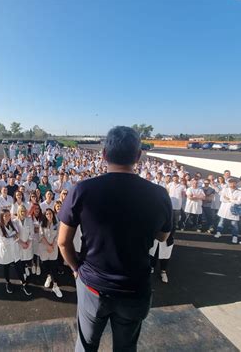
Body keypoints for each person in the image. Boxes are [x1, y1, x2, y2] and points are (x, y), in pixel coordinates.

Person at [58, 126, 172, 352]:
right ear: (138, 156)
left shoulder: (82, 190)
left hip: (93, 284)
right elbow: (163, 235)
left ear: (104, 155)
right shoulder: (159, 194)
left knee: (86, 344)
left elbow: (63, 242)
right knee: (126, 346)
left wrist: (76, 269)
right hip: (135, 287)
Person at [0, 209, 32, 296]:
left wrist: (14, 238)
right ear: (1, 217)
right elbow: (2, 240)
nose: (7, 217)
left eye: (8, 215)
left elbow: (17, 234)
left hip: (15, 249)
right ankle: (8, 282)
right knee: (6, 267)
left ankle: (23, 284)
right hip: (6, 251)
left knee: (19, 267)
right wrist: (13, 237)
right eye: (5, 216)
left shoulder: (13, 224)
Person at [39, 208, 63, 298]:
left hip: (53, 248)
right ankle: (49, 277)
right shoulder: (42, 224)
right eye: (47, 214)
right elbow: (41, 236)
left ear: (53, 214)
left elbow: (58, 235)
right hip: (44, 248)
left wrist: (52, 245)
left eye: (50, 213)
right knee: (46, 266)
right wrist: (48, 246)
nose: (49, 215)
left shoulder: (57, 224)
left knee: (53, 267)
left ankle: (55, 286)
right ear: (45, 215)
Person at [214, 178, 241, 244]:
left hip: (234, 210)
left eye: (234, 183)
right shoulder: (225, 189)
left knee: (234, 224)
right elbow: (222, 199)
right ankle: (219, 232)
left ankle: (235, 236)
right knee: (221, 221)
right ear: (229, 183)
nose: (232, 184)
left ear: (236, 184)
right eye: (231, 183)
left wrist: (229, 199)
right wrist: (233, 200)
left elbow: (239, 202)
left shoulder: (240, 192)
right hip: (224, 209)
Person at [13, 205, 34, 278]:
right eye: (22, 211)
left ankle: (26, 267)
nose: (23, 213)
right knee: (21, 259)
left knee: (28, 258)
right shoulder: (14, 221)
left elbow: (32, 232)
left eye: (24, 211)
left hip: (28, 243)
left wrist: (28, 242)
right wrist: (21, 243)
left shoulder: (29, 219)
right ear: (18, 212)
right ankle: (23, 271)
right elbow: (14, 234)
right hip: (19, 244)